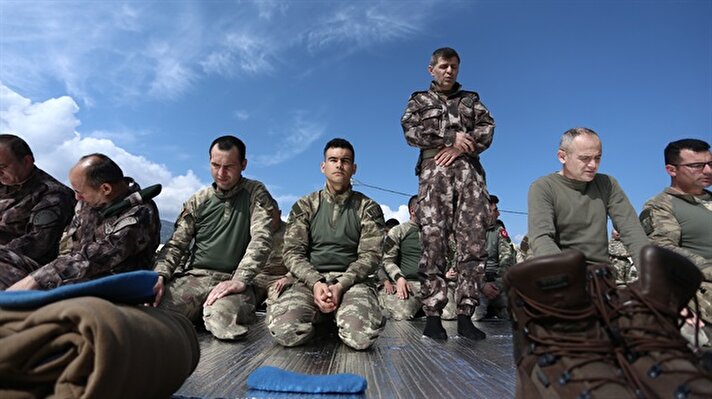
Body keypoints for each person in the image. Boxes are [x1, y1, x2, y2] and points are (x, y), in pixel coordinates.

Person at [401, 47, 495, 340]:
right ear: (431, 69)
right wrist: (450, 138)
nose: (449, 71)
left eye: (453, 66)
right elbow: (410, 132)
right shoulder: (419, 100)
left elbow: (487, 129)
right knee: (433, 241)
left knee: (472, 242)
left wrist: (458, 148)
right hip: (434, 176)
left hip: (469, 174)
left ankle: (466, 315)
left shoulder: (471, 100)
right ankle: (433, 315)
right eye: (443, 66)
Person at [267, 138, 386, 350]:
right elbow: (293, 252)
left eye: (345, 160)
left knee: (360, 337)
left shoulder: (368, 208)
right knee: (286, 331)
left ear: (353, 168)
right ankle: (323, 319)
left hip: (351, 283)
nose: (339, 165)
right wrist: (316, 283)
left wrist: (340, 285)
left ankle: (343, 316)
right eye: (333, 160)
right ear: (323, 166)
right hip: (309, 282)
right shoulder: (305, 205)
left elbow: (371, 256)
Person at [153, 135, 274, 340]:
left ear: (243, 165)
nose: (221, 173)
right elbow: (176, 244)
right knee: (153, 315)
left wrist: (240, 279)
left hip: (234, 281)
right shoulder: (199, 200)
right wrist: (160, 275)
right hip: (195, 278)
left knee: (220, 321)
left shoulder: (255, 193)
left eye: (229, 166)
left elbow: (261, 238)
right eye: (215, 165)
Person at [6, 153, 161, 290]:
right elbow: (67, 246)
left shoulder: (140, 213)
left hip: (109, 281)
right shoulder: (88, 202)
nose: (77, 198)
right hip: (69, 271)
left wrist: (39, 278)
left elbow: (97, 257)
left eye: (80, 192)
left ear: (105, 189)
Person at [528, 127, 648, 266]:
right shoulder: (543, 187)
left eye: (597, 158)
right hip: (563, 271)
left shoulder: (607, 184)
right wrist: (563, 275)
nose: (593, 165)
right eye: (585, 158)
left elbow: (631, 230)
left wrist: (651, 272)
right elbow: (541, 238)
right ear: (562, 156)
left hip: (600, 275)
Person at [639, 138, 712, 343]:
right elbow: (664, 250)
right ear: (671, 170)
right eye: (697, 165)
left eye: (710, 164)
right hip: (701, 301)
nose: (707, 170)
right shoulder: (660, 206)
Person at [0, 134, 76, 289]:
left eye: (2, 167)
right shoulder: (4, 183)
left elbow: (39, 244)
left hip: (32, 269)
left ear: (26, 161)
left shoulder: (52, 194)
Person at [380, 195, 423, 320]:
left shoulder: (435, 232)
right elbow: (387, 260)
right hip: (409, 283)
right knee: (402, 314)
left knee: (451, 314)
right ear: (412, 211)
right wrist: (399, 278)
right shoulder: (398, 231)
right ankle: (382, 301)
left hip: (432, 284)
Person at [473, 195, 515, 321]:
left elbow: (507, 259)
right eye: (495, 210)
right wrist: (482, 284)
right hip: (477, 283)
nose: (499, 214)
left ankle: (495, 307)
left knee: (514, 316)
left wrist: (496, 283)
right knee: (475, 317)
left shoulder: (499, 231)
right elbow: (464, 263)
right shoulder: (469, 232)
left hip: (496, 282)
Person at [252, 202, 292, 308]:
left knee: (281, 304)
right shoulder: (253, 231)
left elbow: (301, 257)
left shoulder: (292, 232)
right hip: (258, 277)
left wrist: (289, 277)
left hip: (280, 278)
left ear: (279, 214)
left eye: (271, 215)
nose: (267, 220)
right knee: (240, 299)